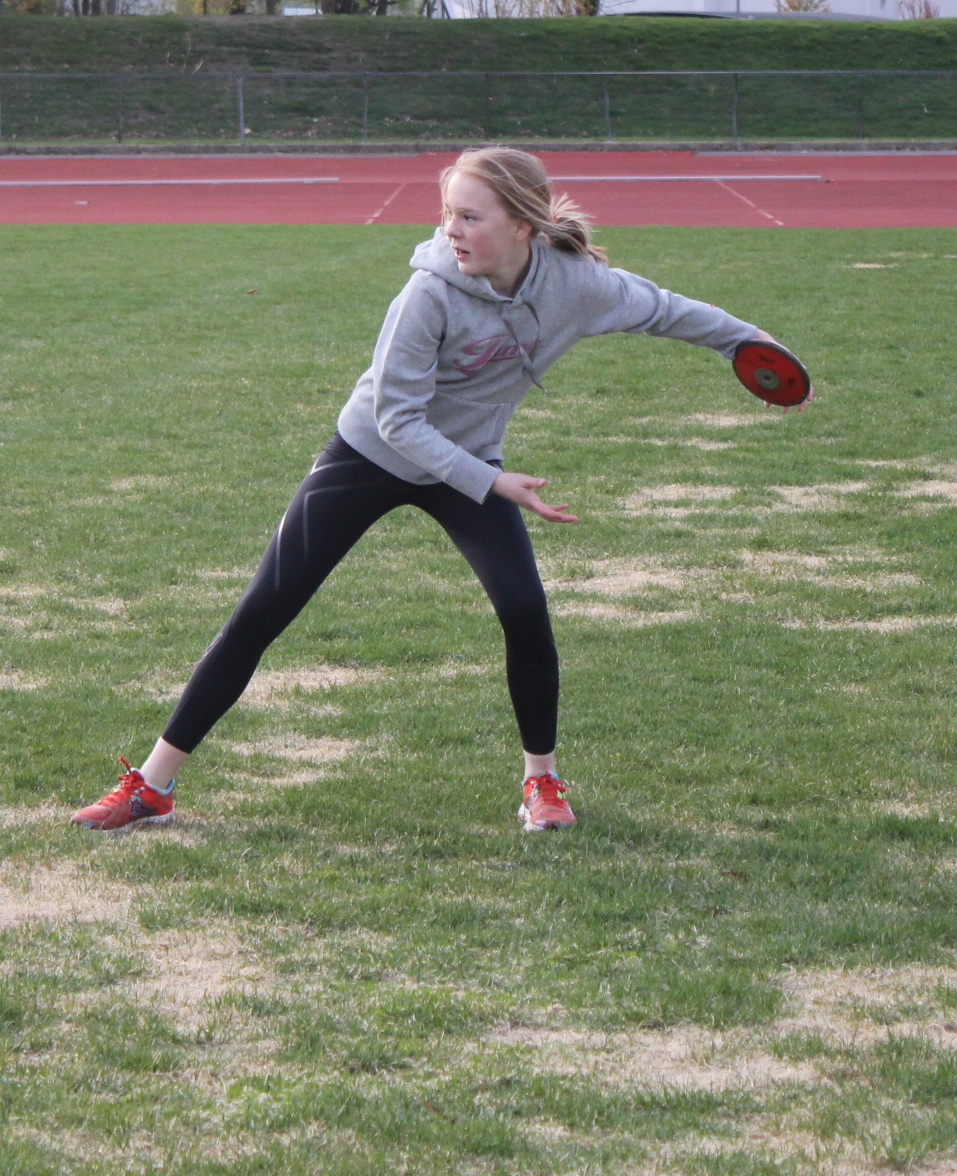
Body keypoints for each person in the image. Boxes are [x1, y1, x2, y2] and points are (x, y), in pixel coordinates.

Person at [73, 146, 797, 836]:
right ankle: (153, 786)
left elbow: (664, 308)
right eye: (448, 212)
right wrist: (492, 481)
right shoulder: (426, 294)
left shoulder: (574, 285)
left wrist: (747, 343)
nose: (451, 229)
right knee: (267, 607)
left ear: (522, 224)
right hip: (372, 454)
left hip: (472, 464)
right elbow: (396, 420)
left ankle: (541, 782)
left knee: (523, 608)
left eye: (470, 217)